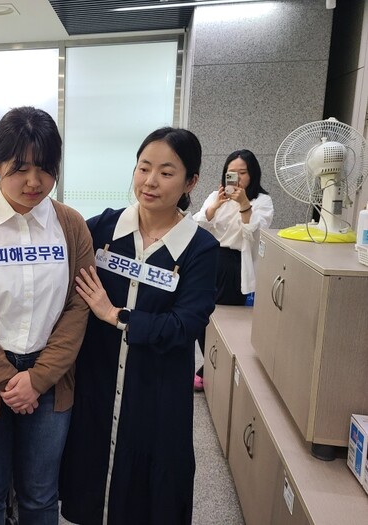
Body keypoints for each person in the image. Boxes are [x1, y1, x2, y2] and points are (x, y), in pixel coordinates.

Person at [0, 106, 94, 524]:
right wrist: (8, 380)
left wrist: (37, 379)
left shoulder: (71, 226)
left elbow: (78, 306)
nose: (33, 181)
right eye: (20, 168)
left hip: (51, 381)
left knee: (41, 497)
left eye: (45, 168)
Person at [58, 127, 218, 525]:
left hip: (156, 390)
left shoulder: (201, 249)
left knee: (149, 491)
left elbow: (183, 326)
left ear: (190, 182)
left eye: (166, 172)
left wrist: (115, 315)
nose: (150, 181)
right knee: (90, 476)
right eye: (144, 168)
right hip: (97, 379)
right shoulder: (101, 229)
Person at [192, 149, 274, 389]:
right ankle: (209, 366)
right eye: (231, 173)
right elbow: (198, 224)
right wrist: (215, 205)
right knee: (199, 314)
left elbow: (254, 235)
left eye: (242, 173)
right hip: (209, 258)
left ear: (252, 174)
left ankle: (211, 370)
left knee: (223, 320)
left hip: (235, 264)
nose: (237, 178)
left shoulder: (262, 201)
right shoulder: (215, 196)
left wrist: (244, 205)